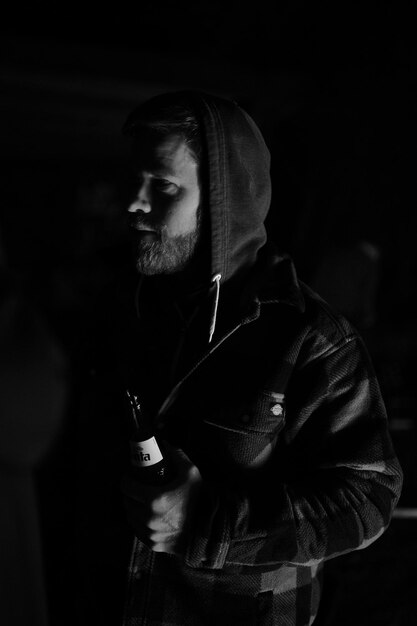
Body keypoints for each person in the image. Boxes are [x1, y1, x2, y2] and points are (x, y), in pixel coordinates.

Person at [73, 90, 403, 626]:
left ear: (224, 203)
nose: (133, 203)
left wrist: (206, 524)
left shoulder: (310, 337)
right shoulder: (120, 311)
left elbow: (370, 497)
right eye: (133, 181)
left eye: (163, 186)